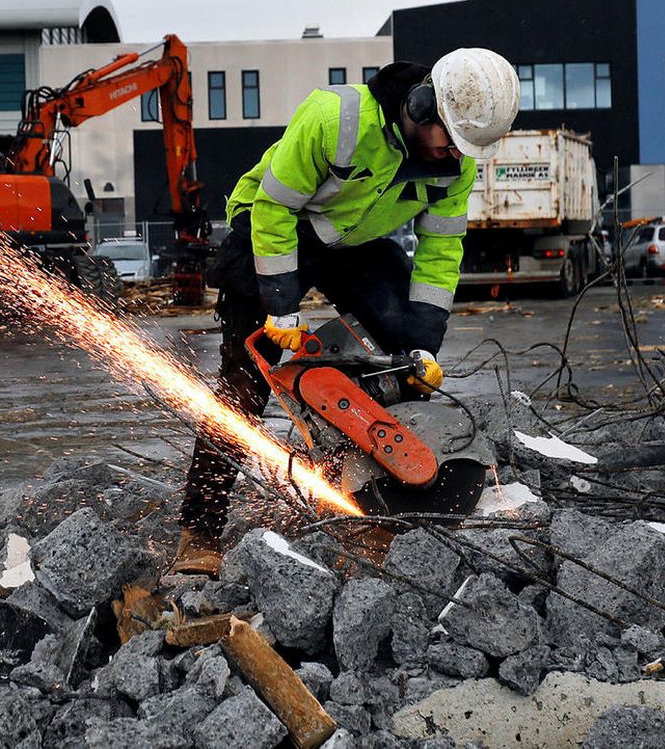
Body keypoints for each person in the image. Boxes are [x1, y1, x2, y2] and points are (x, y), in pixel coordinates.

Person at [171, 48, 520, 575]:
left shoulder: (457, 163)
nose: (455, 156)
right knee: (244, 383)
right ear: (423, 108)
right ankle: (199, 536)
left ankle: (376, 502)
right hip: (274, 228)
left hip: (355, 241)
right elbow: (273, 208)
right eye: (451, 141)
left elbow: (441, 251)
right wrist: (281, 308)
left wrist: (422, 344)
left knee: (404, 365)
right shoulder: (335, 118)